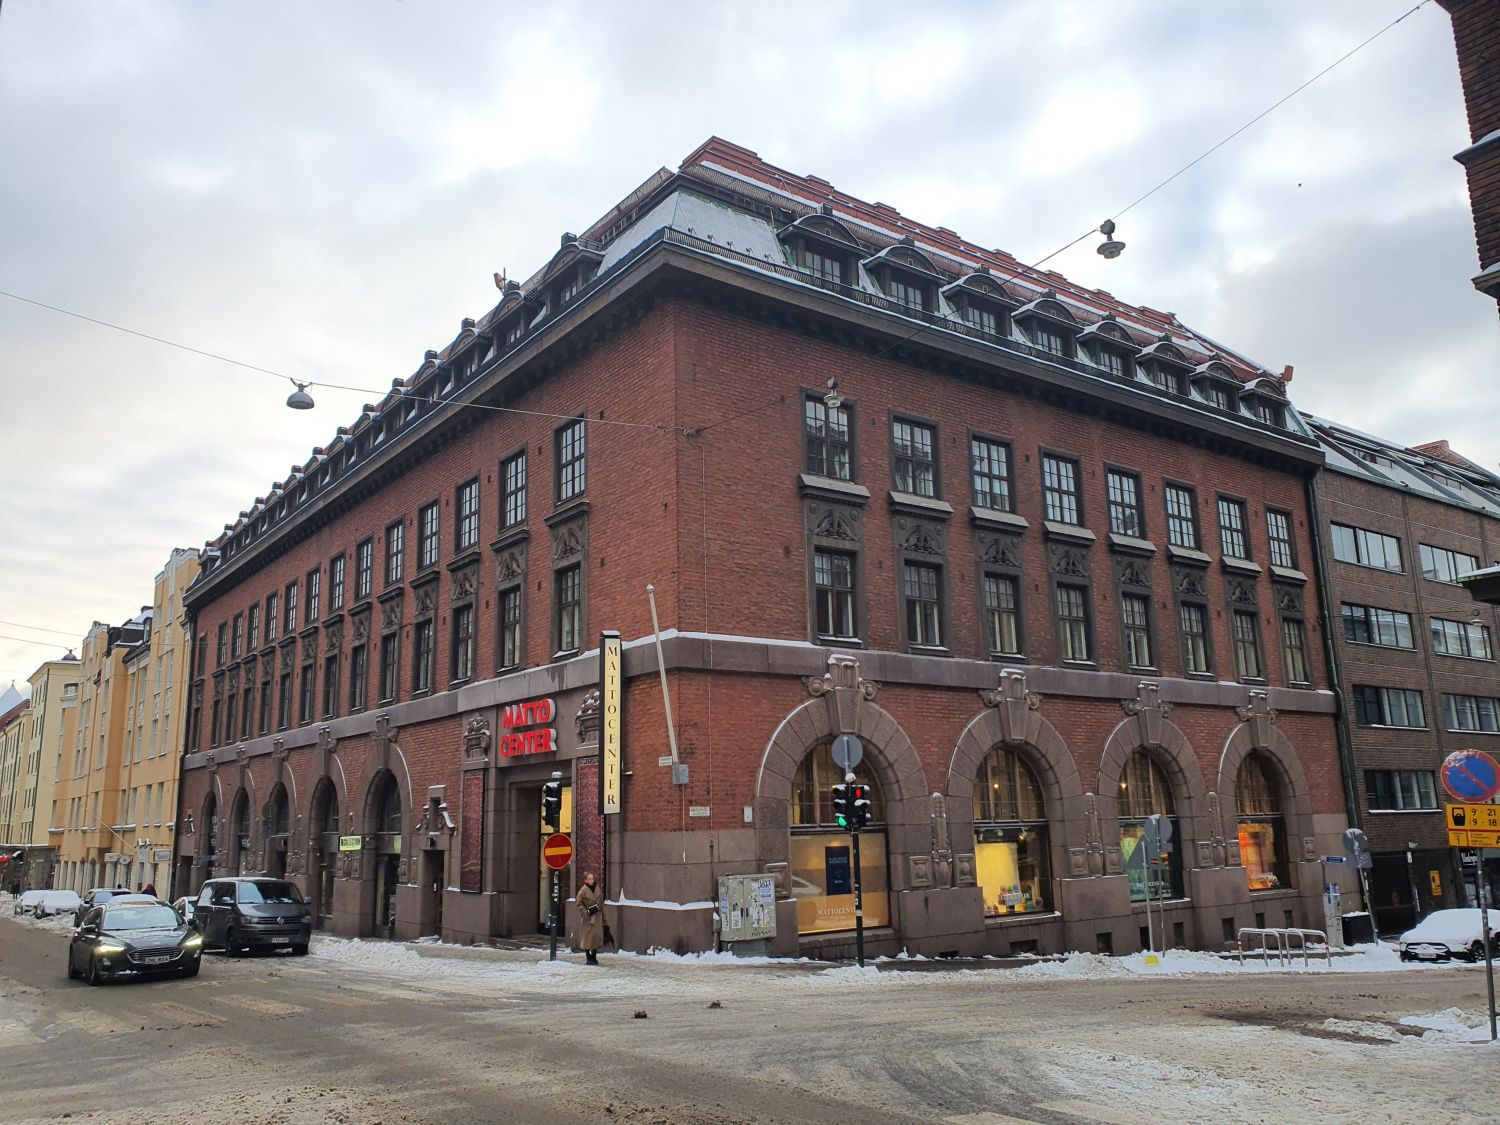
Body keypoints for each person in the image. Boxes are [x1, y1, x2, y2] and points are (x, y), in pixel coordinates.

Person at [575, 872, 604, 965]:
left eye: (592, 878)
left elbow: (601, 905)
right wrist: (585, 913)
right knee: (587, 938)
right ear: (586, 880)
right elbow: (578, 904)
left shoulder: (597, 889)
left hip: (597, 917)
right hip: (588, 918)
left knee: (596, 938)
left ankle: (594, 956)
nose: (592, 880)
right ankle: (588, 957)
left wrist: (603, 917)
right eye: (590, 879)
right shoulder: (583, 891)